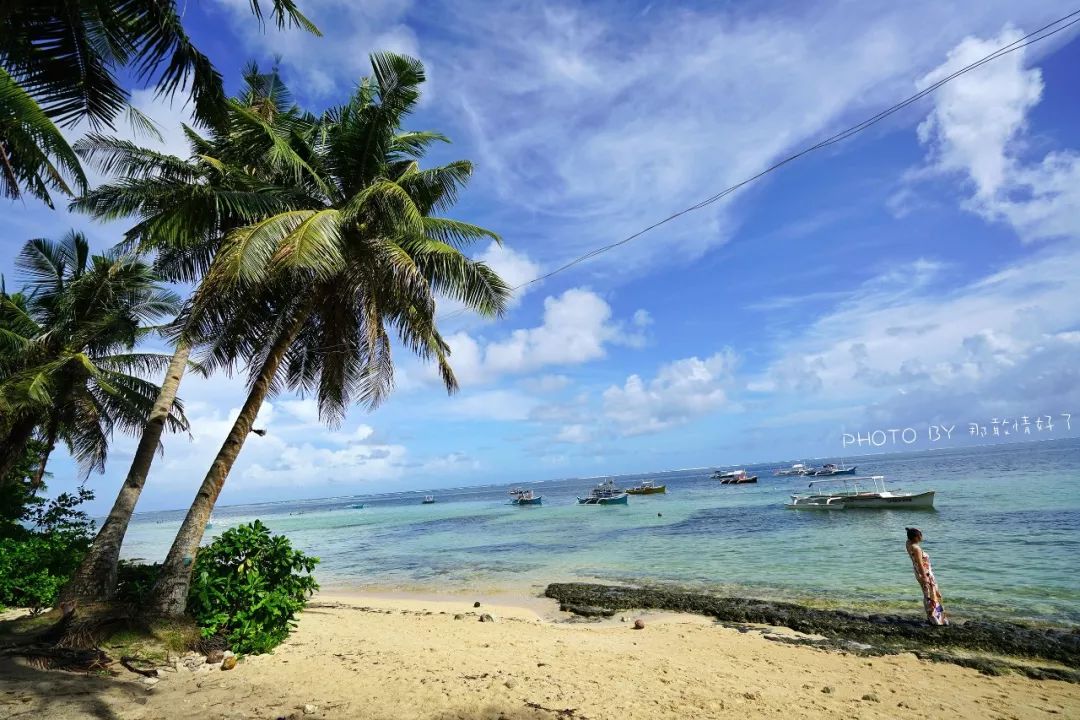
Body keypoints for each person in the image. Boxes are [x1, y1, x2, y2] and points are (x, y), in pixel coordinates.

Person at [906, 527, 948, 626]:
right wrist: (924, 577)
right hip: (925, 573)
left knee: (928, 595)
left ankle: (933, 617)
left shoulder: (908, 543)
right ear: (915, 537)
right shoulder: (916, 549)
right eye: (920, 535)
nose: (922, 537)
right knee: (931, 595)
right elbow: (920, 564)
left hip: (918, 572)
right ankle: (934, 619)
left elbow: (909, 536)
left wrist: (909, 530)